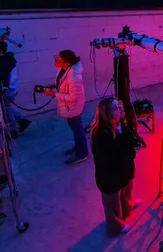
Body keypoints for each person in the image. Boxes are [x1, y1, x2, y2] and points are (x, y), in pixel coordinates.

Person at [90, 97, 142, 237]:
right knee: (112, 203)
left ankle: (127, 207)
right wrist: (127, 153)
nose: (120, 108)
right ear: (107, 113)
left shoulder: (119, 123)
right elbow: (110, 156)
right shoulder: (101, 134)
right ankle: (115, 226)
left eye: (119, 105)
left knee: (126, 191)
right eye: (115, 107)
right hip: (110, 176)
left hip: (123, 170)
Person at [42, 50, 88, 165]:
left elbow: (73, 98)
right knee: (74, 128)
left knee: (78, 130)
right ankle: (77, 147)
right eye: (56, 58)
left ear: (67, 62)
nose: (55, 62)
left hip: (73, 107)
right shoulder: (63, 68)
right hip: (67, 106)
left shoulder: (74, 78)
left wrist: (53, 94)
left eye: (58, 60)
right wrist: (53, 86)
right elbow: (61, 82)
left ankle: (82, 154)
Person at [0, 40, 31, 138]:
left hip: (9, 90)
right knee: (8, 106)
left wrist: (3, 91)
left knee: (6, 109)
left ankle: (12, 131)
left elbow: (4, 79)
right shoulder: (7, 58)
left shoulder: (4, 64)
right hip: (12, 88)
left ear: (1, 51)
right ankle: (22, 121)